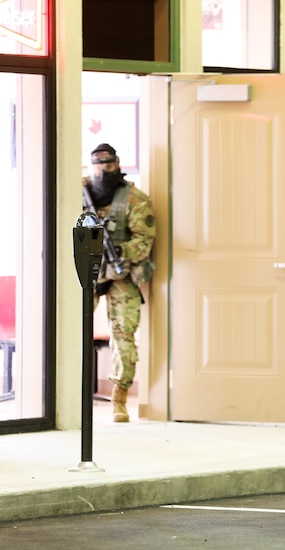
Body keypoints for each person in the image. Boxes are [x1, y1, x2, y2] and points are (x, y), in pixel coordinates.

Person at [82, 143, 156, 423]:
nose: (104, 169)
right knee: (69, 332)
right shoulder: (77, 193)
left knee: (124, 337)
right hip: (84, 272)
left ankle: (119, 397)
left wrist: (117, 257)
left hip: (119, 274)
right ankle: (68, 394)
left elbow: (144, 241)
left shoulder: (134, 199)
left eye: (109, 163)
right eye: (98, 164)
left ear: (118, 163)